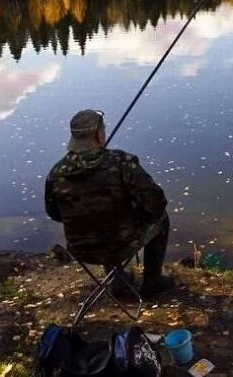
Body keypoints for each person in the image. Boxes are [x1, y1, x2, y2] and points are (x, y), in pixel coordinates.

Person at [45, 109, 174, 297]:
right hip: (121, 245)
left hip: (81, 250)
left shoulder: (56, 173)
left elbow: (54, 213)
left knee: (100, 220)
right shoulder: (121, 162)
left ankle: (119, 281)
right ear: (98, 134)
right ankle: (152, 282)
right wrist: (136, 211)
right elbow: (156, 203)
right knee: (161, 219)